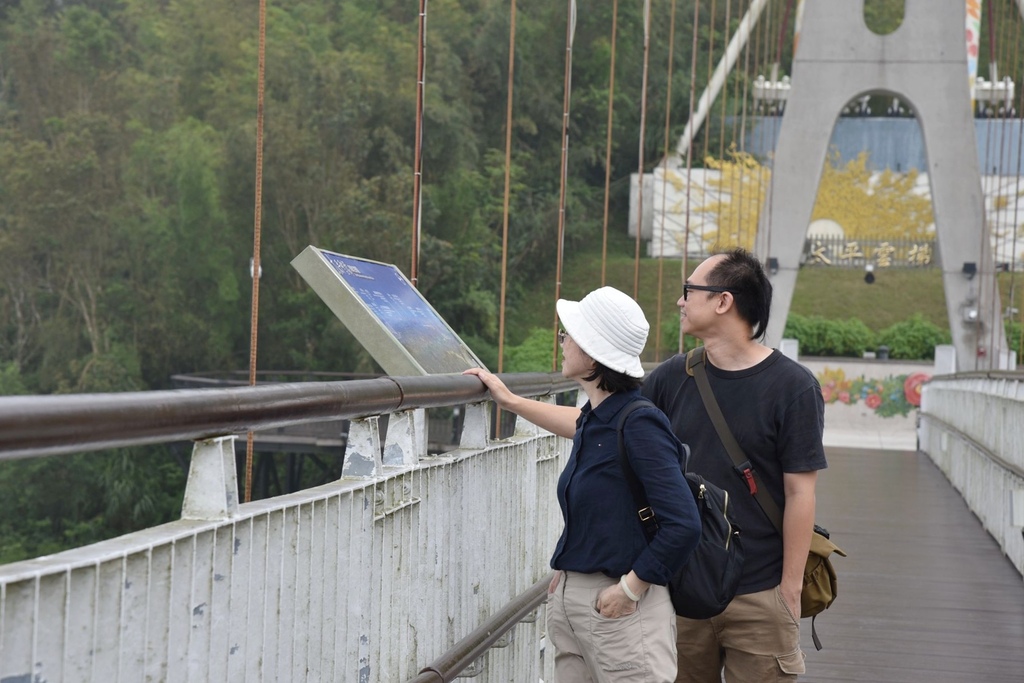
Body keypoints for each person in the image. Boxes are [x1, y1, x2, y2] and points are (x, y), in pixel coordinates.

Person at [465, 286, 701, 683]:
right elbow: (575, 430)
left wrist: (627, 591)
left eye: (568, 335)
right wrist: (510, 401)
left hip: (621, 611)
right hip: (576, 604)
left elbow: (684, 524)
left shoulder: (639, 423)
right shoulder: (596, 417)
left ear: (592, 352)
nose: (562, 342)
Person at [641, 248, 827, 682]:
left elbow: (802, 492)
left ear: (723, 301)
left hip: (761, 593)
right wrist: (512, 401)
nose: (680, 301)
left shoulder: (793, 387)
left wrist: (789, 592)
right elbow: (610, 424)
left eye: (689, 291)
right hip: (683, 588)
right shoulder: (673, 377)